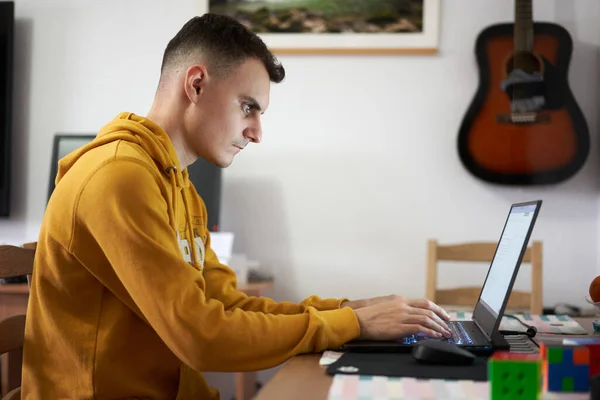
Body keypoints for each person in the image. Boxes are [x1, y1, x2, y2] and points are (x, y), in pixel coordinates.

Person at [21, 13, 452, 399]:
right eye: (249, 107)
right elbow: (200, 337)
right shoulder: (118, 177)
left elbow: (226, 306)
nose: (257, 133)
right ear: (196, 84)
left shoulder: (178, 185)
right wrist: (352, 326)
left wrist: (349, 311)